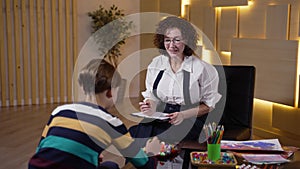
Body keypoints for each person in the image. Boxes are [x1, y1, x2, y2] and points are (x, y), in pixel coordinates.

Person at [28, 59, 160, 169]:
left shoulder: (60, 111)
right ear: (110, 92)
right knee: (111, 166)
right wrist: (151, 152)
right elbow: (143, 164)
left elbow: (42, 148)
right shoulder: (111, 123)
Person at [130, 16, 222, 144]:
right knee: (140, 134)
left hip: (190, 117)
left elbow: (208, 106)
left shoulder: (203, 69)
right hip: (163, 115)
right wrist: (150, 106)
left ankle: (161, 161)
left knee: (161, 138)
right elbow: (152, 96)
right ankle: (149, 162)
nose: (171, 45)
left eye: (177, 40)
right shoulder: (156, 64)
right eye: (167, 40)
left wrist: (183, 115)